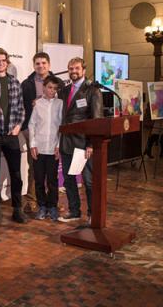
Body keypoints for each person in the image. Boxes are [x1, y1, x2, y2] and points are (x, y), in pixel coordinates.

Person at [58, 57, 103, 223]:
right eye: (70, 69)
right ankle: (74, 211)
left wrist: (91, 144)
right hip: (66, 143)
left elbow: (97, 121)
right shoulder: (64, 91)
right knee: (69, 180)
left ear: (83, 70)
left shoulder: (92, 91)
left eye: (76, 68)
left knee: (89, 182)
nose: (73, 71)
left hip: (84, 145)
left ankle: (93, 214)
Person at [0, 48, 26, 225]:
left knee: (16, 174)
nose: (1, 63)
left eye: (3, 60)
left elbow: (20, 107)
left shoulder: (15, 82)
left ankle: (17, 209)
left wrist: (18, 126)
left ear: (7, 62)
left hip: (12, 134)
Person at [21, 52, 55, 209]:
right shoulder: (26, 84)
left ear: (48, 64)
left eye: (43, 63)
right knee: (34, 166)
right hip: (33, 131)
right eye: (37, 63)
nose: (40, 66)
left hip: (53, 131)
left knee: (52, 167)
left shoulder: (58, 83)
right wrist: (24, 128)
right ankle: (32, 201)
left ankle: (51, 201)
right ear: (33, 65)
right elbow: (20, 108)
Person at [28, 76, 63, 221]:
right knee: (39, 179)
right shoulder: (37, 104)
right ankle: (42, 206)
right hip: (39, 148)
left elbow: (62, 126)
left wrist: (59, 145)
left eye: (55, 88)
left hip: (53, 148)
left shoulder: (60, 104)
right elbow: (32, 125)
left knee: (52, 180)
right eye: (49, 87)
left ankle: (52, 206)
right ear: (44, 87)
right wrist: (32, 144)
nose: (52, 91)